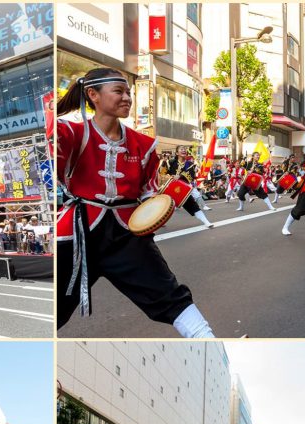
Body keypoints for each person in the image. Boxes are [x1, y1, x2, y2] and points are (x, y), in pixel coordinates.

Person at [55, 68, 214, 337]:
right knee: (54, 307)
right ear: (93, 95)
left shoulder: (144, 144)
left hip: (127, 235)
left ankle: (207, 339)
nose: (127, 97)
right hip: (78, 233)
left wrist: (157, 207)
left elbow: (149, 190)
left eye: (128, 91)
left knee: (170, 295)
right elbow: (48, 145)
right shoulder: (71, 133)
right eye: (119, 91)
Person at [161, 145, 213, 225]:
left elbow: (191, 176)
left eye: (185, 149)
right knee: (163, 207)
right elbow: (162, 173)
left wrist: (180, 176)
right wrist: (164, 163)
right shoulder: (170, 162)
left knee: (193, 205)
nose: (184, 150)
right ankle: (160, 223)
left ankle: (206, 222)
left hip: (183, 189)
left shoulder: (190, 164)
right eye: (181, 149)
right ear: (177, 153)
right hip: (170, 189)